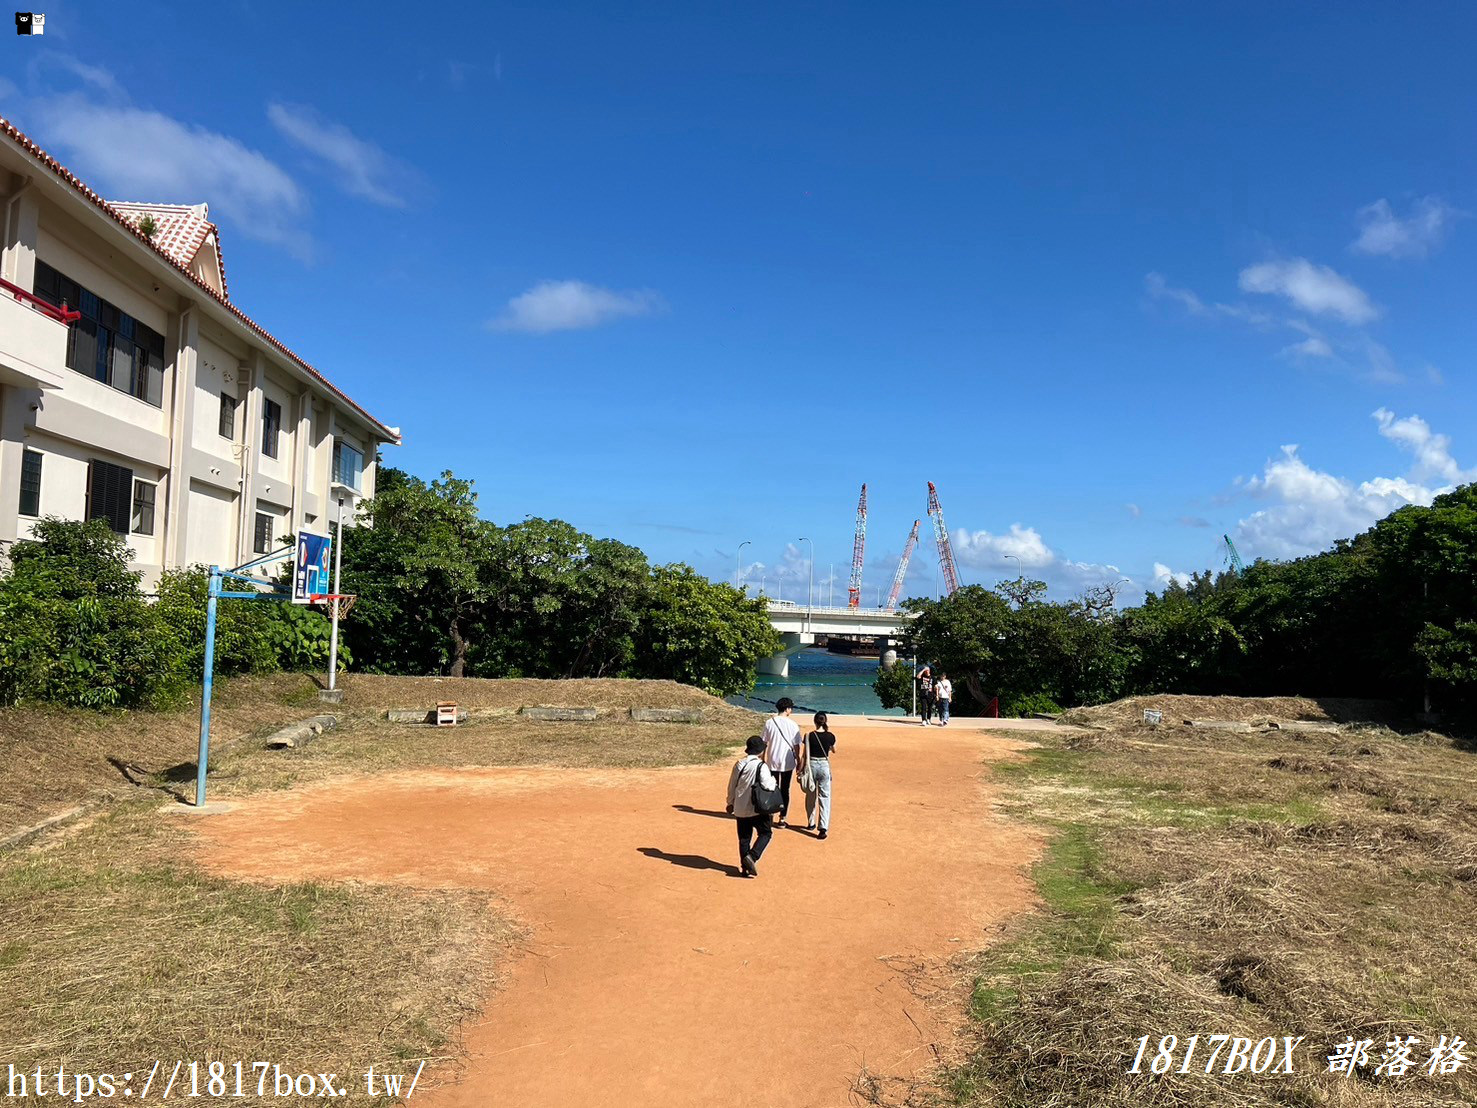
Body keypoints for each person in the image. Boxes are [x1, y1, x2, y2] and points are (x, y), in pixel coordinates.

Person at [727, 735, 778, 876]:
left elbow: (732, 785)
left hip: (740, 806)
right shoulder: (761, 766)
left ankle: (745, 868)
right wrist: (774, 781)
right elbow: (768, 785)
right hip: (757, 808)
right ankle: (753, 856)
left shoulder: (739, 764)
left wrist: (730, 802)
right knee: (765, 833)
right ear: (760, 751)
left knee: (744, 838)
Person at [762, 697, 804, 826]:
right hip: (787, 761)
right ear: (787, 709)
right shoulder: (792, 724)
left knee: (771, 788)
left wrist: (762, 758)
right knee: (785, 789)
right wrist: (798, 760)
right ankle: (782, 817)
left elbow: (764, 742)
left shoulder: (769, 722)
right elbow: (796, 745)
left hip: (772, 760)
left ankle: (770, 814)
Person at [803, 711, 837, 838]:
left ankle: (810, 822)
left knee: (811, 795)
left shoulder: (809, 735)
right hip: (824, 765)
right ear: (825, 721)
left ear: (815, 721)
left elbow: (804, 754)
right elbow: (834, 750)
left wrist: (800, 768)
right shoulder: (830, 736)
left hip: (811, 765)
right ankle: (823, 827)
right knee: (824, 796)